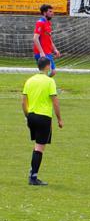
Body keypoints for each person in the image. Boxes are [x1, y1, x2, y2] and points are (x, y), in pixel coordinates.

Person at [22, 57, 63, 185]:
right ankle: (33, 177)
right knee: (39, 147)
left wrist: (27, 116)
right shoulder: (50, 81)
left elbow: (23, 102)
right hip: (43, 117)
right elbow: (55, 102)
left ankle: (32, 173)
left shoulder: (29, 80)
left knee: (37, 146)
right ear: (47, 66)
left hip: (31, 116)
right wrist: (59, 119)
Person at [33, 4, 60, 77]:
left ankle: (43, 82)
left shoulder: (48, 23)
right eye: (50, 11)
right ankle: (41, 82)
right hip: (41, 53)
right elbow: (35, 38)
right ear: (44, 13)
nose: (52, 13)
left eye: (52, 11)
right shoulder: (40, 22)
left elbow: (49, 38)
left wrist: (55, 49)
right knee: (47, 72)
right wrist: (41, 52)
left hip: (48, 52)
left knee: (52, 72)